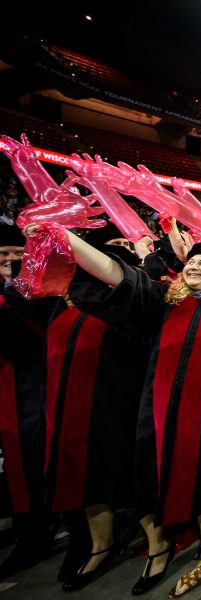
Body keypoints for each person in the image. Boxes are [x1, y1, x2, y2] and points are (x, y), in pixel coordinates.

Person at [52, 228, 201, 600]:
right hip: (169, 419)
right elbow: (116, 275)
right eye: (193, 261)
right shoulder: (165, 305)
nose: (196, 265)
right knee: (196, 488)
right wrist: (64, 238)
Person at [43, 224, 150, 592]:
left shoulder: (123, 303)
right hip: (68, 412)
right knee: (86, 481)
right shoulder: (58, 309)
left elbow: (119, 279)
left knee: (125, 473)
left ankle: (157, 543)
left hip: (116, 405)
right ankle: (100, 544)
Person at [0, 225, 55, 579]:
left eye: (17, 254)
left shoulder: (41, 291)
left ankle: (38, 528)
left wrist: (13, 287)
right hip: (8, 387)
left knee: (31, 454)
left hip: (30, 386)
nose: (10, 261)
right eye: (3, 255)